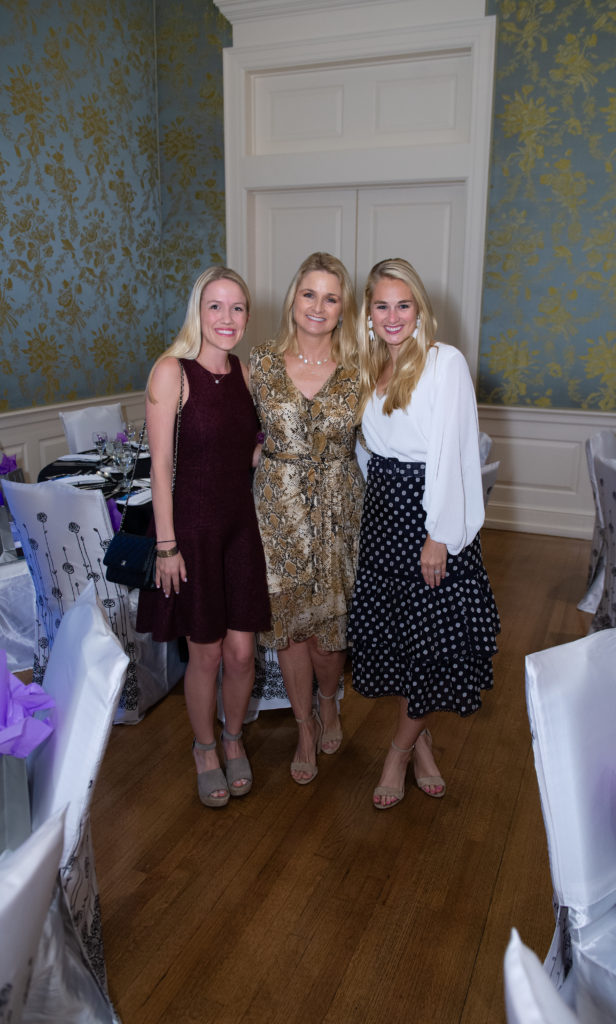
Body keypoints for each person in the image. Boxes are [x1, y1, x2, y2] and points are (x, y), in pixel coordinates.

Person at [349, 258, 500, 809]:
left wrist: (438, 534)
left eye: (403, 305)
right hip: (384, 514)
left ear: (420, 311)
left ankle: (397, 751)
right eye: (381, 305)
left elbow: (456, 453)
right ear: (368, 312)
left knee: (434, 641)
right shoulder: (367, 366)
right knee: (403, 639)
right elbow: (367, 451)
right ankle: (422, 743)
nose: (392, 317)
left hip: (428, 515)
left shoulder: (443, 363)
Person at [136, 266, 271, 808]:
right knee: (207, 653)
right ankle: (204, 748)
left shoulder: (246, 372)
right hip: (190, 528)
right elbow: (160, 470)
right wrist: (166, 545)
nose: (227, 318)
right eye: (215, 306)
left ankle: (234, 735)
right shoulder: (172, 371)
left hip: (240, 527)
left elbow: (246, 450)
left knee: (242, 652)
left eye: (237, 308)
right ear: (198, 311)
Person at [250, 252, 364, 784]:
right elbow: (234, 432)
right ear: (294, 299)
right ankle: (303, 726)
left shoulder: (363, 369)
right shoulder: (260, 365)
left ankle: (329, 699)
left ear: (344, 309)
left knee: (329, 632)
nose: (318, 306)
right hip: (278, 511)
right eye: (309, 294)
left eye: (331, 297)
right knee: (290, 630)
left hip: (342, 509)